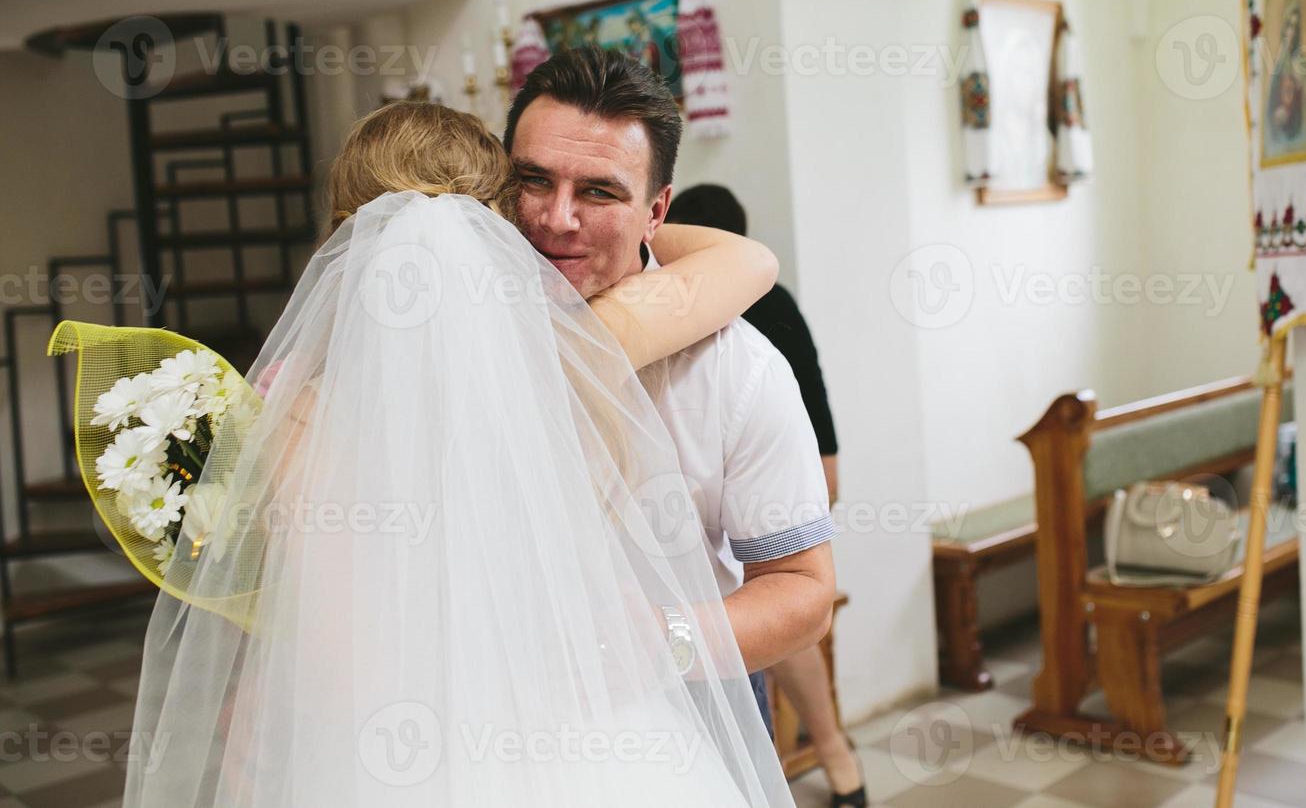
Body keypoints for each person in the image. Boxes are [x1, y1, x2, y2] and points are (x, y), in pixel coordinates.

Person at [89, 101, 800, 805]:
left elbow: (337, 669)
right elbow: (744, 259)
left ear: (345, 235)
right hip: (591, 740)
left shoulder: (296, 415)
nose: (558, 219)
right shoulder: (580, 366)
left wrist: (266, 702)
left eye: (598, 193)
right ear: (499, 229)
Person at [503, 49, 838, 738]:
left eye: (598, 192)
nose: (556, 219)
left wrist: (664, 640)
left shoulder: (739, 371)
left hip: (679, 709)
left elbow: (804, 592)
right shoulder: (454, 325)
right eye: (534, 180)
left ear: (657, 211)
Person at [667, 184, 864, 808]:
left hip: (791, 477)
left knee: (768, 610)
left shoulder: (713, 313)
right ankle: (839, 763)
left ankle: (828, 753)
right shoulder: (771, 299)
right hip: (806, 467)